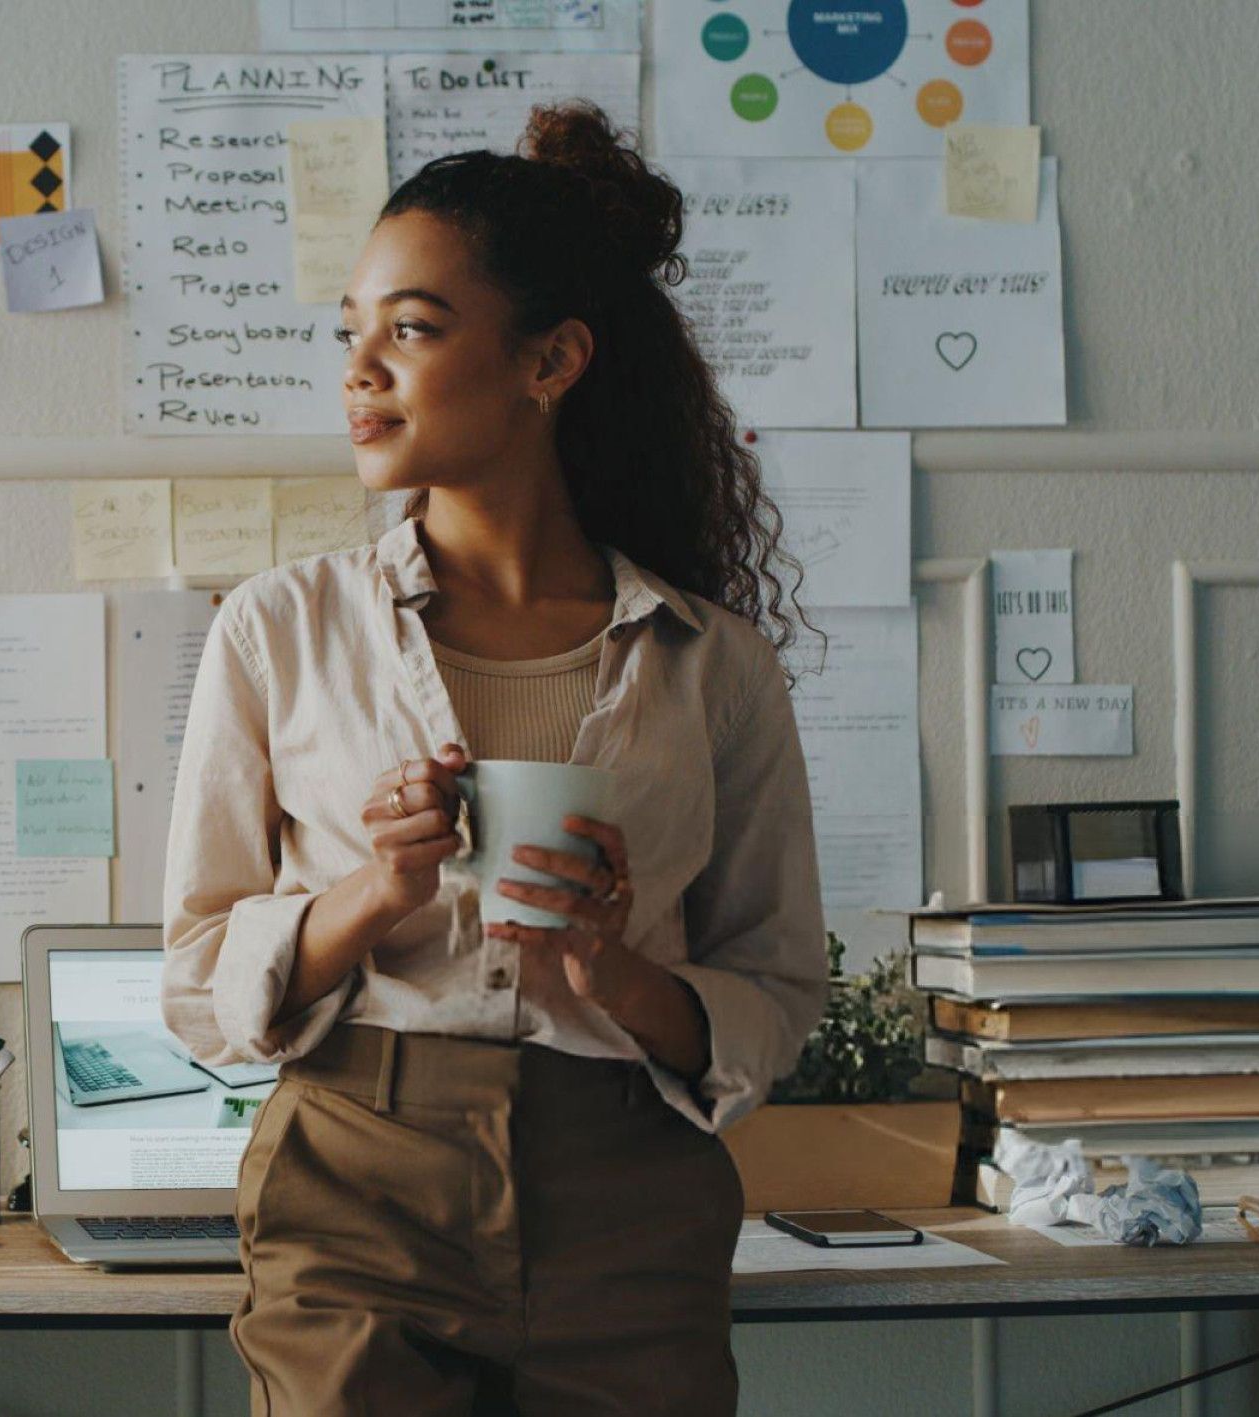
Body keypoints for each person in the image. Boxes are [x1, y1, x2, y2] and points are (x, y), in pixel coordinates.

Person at [160, 101, 830, 1416]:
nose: (360, 371)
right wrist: (372, 891)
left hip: (629, 1199)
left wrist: (611, 968)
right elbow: (194, 976)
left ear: (550, 360)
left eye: (408, 329)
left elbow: (772, 986)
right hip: (355, 1182)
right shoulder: (276, 627)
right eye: (349, 331)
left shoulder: (714, 663)